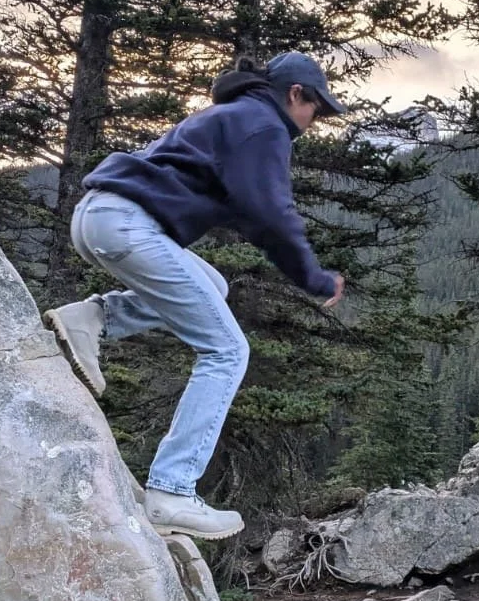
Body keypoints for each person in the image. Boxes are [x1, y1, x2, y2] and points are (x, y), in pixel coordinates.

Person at [45, 52, 346, 540]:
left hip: (98, 216)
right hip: (127, 227)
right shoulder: (264, 125)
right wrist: (313, 277)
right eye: (317, 109)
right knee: (227, 351)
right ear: (296, 94)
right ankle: (171, 492)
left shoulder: (230, 116)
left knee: (215, 287)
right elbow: (272, 212)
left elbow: (248, 208)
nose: (315, 122)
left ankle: (93, 319)